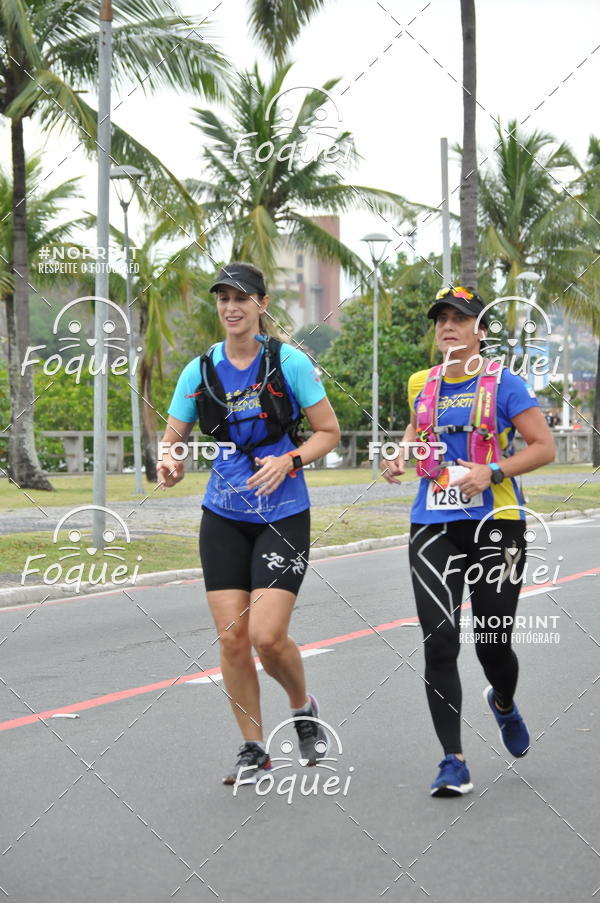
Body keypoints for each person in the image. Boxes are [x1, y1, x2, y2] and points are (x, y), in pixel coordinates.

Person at [158, 262, 341, 786]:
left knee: (266, 634)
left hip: (282, 514)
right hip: (222, 515)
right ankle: (253, 746)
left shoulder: (289, 363)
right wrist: (168, 465)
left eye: (241, 298)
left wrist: (291, 460)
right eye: (223, 299)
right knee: (232, 638)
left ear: (261, 304)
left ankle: (303, 708)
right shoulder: (199, 371)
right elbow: (171, 441)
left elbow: (328, 431)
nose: (231, 307)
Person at [383, 286, 555, 797]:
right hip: (432, 522)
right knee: (439, 639)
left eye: (460, 318)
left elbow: (543, 447)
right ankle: (452, 760)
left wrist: (492, 470)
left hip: (497, 523)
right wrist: (398, 455)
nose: (448, 327)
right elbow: (419, 431)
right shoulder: (422, 382)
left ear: (481, 330)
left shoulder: (506, 385)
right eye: (441, 320)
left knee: (493, 640)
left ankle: (502, 701)